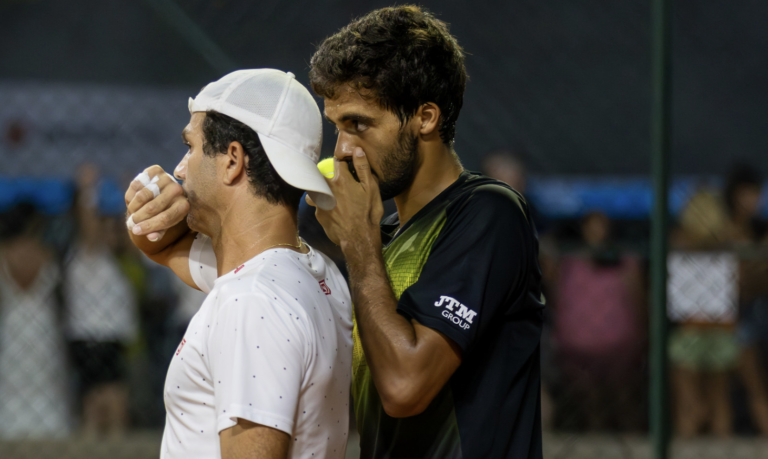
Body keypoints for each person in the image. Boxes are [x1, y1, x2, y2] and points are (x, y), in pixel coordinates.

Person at [308, 6, 544, 458]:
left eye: (359, 124)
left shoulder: (489, 213)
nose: (341, 150)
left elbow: (404, 385)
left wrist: (359, 244)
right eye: (336, 126)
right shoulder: (381, 227)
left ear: (426, 117)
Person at [124, 69, 352, 459]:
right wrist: (147, 219)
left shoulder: (251, 302)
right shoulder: (315, 272)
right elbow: (164, 249)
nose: (179, 169)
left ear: (232, 160)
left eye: (191, 147)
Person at [552, 211, 646, 431]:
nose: (598, 232)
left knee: (623, 398)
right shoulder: (569, 262)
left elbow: (638, 300)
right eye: (592, 226)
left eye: (602, 226)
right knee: (591, 402)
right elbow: (558, 299)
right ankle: (597, 439)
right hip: (579, 344)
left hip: (619, 343)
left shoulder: (625, 261)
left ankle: (631, 440)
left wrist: (643, 333)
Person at [65, 164, 138, 437]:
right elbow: (88, 226)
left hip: (111, 337)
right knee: (101, 399)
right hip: (92, 335)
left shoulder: (116, 261)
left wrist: (130, 199)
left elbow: (132, 239)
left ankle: (110, 444)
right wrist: (87, 190)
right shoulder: (86, 254)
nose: (109, 234)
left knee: (113, 399)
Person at [0, 202, 71, 439]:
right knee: (47, 382)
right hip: (42, 324)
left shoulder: (3, 254)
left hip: (13, 324)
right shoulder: (46, 253)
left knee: (11, 381)